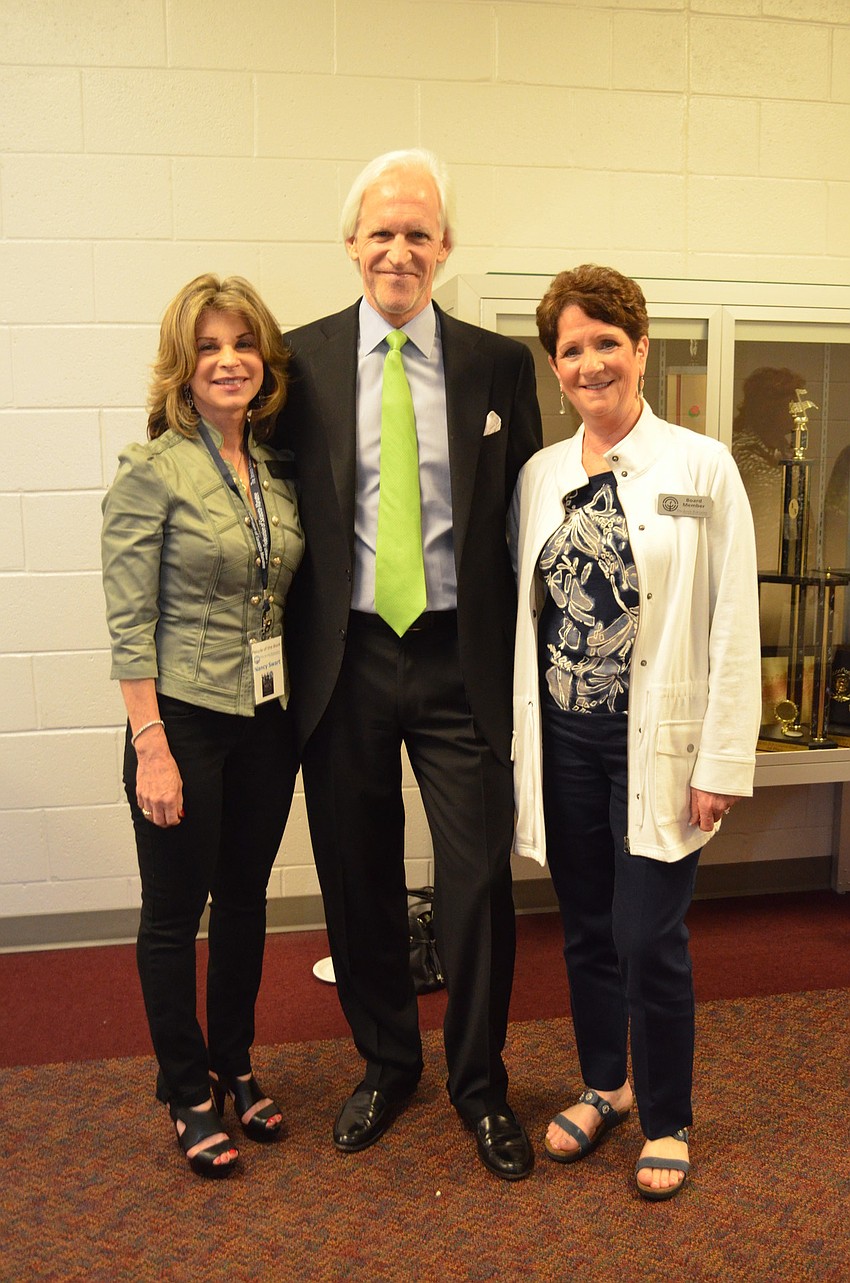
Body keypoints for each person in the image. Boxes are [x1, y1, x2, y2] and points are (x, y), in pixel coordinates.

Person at [274, 149, 542, 1180]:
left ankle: (480, 1083)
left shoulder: (496, 365)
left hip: (454, 655)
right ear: (351, 245)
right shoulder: (295, 361)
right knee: (358, 875)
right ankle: (387, 1062)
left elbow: (523, 520)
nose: (398, 248)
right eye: (380, 232)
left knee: (477, 879)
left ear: (445, 249)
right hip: (342, 657)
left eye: (417, 232)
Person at [510, 265, 761, 1201]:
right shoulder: (540, 475)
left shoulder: (700, 466)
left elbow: (733, 616)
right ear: (555, 366)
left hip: (657, 742)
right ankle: (603, 1084)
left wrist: (722, 756)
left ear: (642, 347)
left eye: (606, 341)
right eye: (571, 348)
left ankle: (666, 1115)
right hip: (566, 739)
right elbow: (530, 618)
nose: (590, 362)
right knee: (583, 927)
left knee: (647, 931)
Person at [101, 274, 304, 1178]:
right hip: (180, 719)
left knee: (248, 903)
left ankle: (234, 1062)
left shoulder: (270, 470)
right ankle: (184, 1089)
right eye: (209, 347)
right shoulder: (153, 471)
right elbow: (128, 620)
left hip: (264, 719)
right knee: (174, 915)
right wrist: (151, 743)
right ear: (183, 367)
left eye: (243, 345)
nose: (230, 361)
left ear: (264, 361)